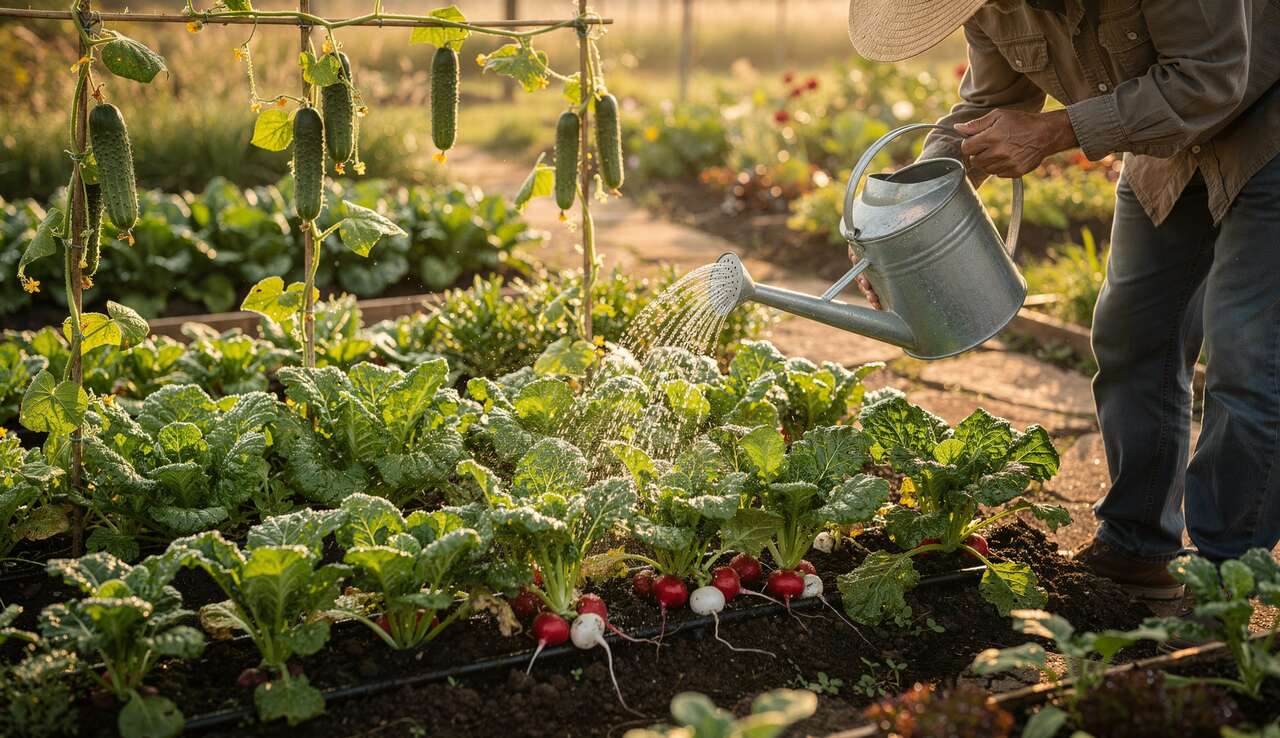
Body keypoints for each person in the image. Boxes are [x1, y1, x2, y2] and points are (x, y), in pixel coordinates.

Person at [845, 0, 1280, 600]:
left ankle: (1226, 579)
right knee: (1132, 335)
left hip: (1267, 126)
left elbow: (1211, 80)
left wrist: (1055, 131)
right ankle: (1136, 545)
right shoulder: (989, 8)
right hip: (1163, 153)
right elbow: (984, 110)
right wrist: (897, 226)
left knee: (1248, 357)